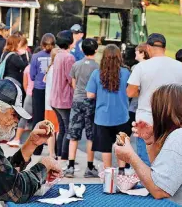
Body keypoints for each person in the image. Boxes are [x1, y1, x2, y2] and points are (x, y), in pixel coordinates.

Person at [126, 33, 182, 166]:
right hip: (172, 118)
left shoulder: (142, 67)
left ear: (148, 48)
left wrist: (144, 91)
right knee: (170, 159)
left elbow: (130, 92)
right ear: (164, 48)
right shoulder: (180, 67)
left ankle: (147, 186)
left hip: (146, 118)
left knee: (146, 161)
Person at [86, 44, 130, 172]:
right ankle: (122, 171)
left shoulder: (96, 73)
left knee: (106, 147)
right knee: (121, 144)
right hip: (122, 115)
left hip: (102, 116)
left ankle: (108, 172)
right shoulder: (126, 73)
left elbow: (90, 94)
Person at [64, 38, 99, 178]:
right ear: (95, 50)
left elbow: (73, 84)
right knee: (91, 136)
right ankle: (90, 167)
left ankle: (70, 166)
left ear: (82, 50)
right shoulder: (97, 67)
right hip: (91, 101)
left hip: (77, 100)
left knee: (74, 135)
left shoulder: (76, 65)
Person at [50, 30, 75, 163]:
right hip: (65, 99)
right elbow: (71, 79)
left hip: (55, 98)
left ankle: (60, 156)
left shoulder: (58, 55)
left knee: (62, 128)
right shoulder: (69, 57)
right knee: (68, 129)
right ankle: (65, 158)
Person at [30, 33, 56, 155]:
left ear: (41, 44)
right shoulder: (56, 56)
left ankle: (37, 148)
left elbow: (32, 75)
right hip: (52, 90)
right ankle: (54, 148)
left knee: (38, 119)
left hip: (39, 89)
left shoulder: (35, 56)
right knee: (53, 120)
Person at [128, 43, 151, 166]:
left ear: (142, 53)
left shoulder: (137, 68)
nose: (135, 54)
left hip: (137, 108)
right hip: (148, 108)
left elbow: (131, 91)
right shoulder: (153, 67)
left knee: (138, 139)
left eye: (137, 51)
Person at [7, 51, 34, 147]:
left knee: (24, 116)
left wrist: (28, 92)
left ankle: (17, 138)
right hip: (42, 95)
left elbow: (25, 84)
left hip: (30, 94)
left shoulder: (27, 68)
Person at [44, 47, 60, 158]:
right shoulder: (57, 70)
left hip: (48, 103)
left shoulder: (50, 69)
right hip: (56, 103)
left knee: (51, 130)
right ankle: (56, 152)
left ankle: (51, 153)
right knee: (58, 129)